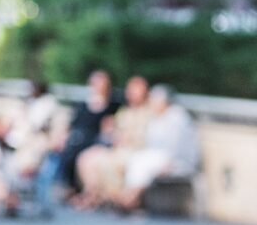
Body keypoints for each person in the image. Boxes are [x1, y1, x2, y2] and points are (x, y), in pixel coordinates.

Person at [110, 83, 198, 210]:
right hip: (159, 156)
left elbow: (179, 147)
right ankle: (129, 197)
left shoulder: (177, 118)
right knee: (138, 160)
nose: (151, 102)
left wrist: (172, 163)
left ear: (163, 101)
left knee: (144, 164)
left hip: (176, 161)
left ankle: (129, 199)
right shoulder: (157, 118)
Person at [75, 71, 148, 206]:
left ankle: (118, 199)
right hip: (116, 146)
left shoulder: (148, 113)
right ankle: (93, 195)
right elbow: (113, 130)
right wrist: (111, 132)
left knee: (107, 162)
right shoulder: (125, 111)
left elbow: (143, 137)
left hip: (133, 149)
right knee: (86, 157)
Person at [56, 67, 115, 203]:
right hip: (77, 138)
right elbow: (72, 124)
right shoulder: (83, 105)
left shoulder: (111, 106)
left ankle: (85, 194)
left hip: (94, 140)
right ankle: (70, 188)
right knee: (69, 151)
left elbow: (107, 128)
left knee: (80, 153)